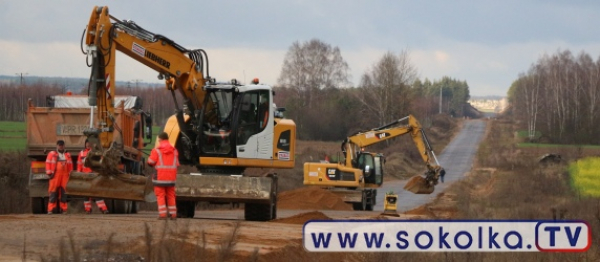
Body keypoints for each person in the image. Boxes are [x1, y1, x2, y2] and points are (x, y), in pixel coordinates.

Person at [147, 132, 179, 220]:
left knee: (160, 195)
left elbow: (151, 162)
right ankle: (173, 215)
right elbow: (176, 164)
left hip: (159, 178)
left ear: (160, 139)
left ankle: (163, 215)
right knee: (171, 195)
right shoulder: (174, 150)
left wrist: (149, 159)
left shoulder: (156, 150)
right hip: (171, 178)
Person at [77, 139, 109, 214]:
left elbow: (101, 162)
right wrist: (79, 174)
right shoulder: (81, 153)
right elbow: (79, 164)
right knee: (86, 194)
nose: (87, 144)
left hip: (94, 175)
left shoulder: (95, 153)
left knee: (96, 192)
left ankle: (103, 209)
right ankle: (88, 210)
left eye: (89, 143)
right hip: (85, 176)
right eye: (86, 143)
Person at [45, 140, 73, 214]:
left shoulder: (67, 154)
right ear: (57, 146)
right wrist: (49, 173)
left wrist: (70, 174)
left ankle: (64, 209)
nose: (61, 146)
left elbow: (70, 165)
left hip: (65, 176)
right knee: (53, 192)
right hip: (55, 175)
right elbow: (47, 163)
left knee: (64, 193)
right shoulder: (52, 154)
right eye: (59, 145)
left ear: (64, 146)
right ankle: (50, 209)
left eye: (62, 145)